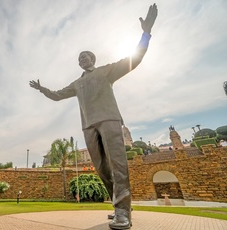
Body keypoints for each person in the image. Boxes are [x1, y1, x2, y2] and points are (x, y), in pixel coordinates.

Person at [30, 4, 157, 229]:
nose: (82, 59)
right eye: (79, 58)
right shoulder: (77, 84)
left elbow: (134, 59)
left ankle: (122, 211)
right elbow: (57, 95)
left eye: (85, 56)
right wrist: (42, 90)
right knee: (102, 169)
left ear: (93, 59)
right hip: (88, 126)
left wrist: (145, 33)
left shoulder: (106, 71)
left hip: (109, 119)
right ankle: (120, 205)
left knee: (117, 164)